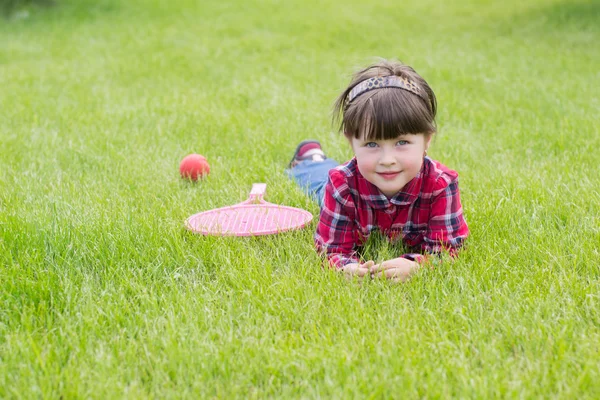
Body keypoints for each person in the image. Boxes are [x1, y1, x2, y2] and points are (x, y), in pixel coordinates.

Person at [286, 59, 469, 281]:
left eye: (402, 142)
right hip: (348, 183)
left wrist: (418, 266)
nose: (387, 160)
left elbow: (448, 251)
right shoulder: (341, 184)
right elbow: (331, 250)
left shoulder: (441, 185)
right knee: (319, 186)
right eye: (372, 144)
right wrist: (345, 268)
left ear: (427, 140)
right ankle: (311, 158)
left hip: (365, 177)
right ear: (352, 141)